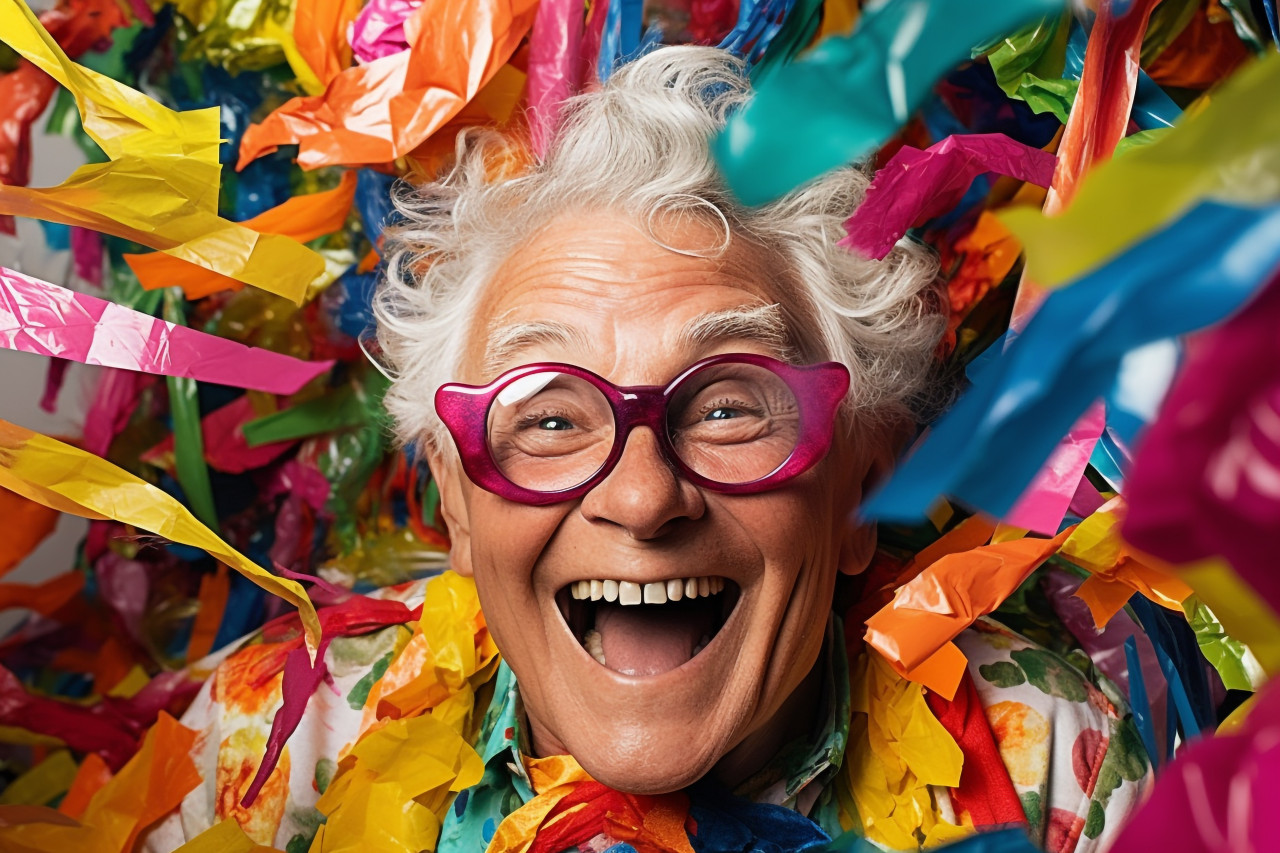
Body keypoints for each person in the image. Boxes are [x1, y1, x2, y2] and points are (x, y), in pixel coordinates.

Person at [145, 46, 1149, 853]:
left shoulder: (1048, 758)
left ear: (862, 484)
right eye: (546, 416)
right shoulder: (264, 751)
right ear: (453, 498)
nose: (638, 497)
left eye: (726, 407)